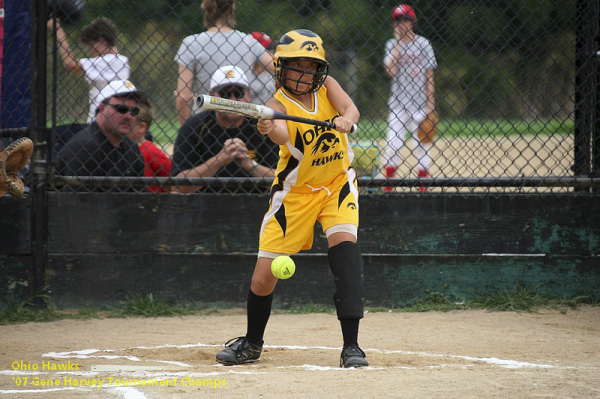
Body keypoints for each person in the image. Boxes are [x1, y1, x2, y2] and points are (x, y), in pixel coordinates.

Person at [215, 30, 368, 368]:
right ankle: (253, 343)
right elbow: (281, 131)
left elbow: (350, 108)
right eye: (296, 66)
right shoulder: (276, 105)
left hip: (337, 184)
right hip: (295, 195)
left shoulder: (327, 87)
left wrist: (346, 119)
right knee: (263, 277)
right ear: (281, 68)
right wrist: (270, 128)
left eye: (311, 67)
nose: (304, 73)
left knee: (346, 254)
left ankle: (352, 347)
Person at [170, 65, 278, 193]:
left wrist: (249, 165)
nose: (233, 100)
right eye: (225, 93)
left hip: (256, 207)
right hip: (203, 207)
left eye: (238, 93)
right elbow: (177, 186)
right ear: (212, 96)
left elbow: (283, 182)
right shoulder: (194, 127)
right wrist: (220, 159)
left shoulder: (263, 125)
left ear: (248, 94)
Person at [174, 0, 273, 126]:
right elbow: (279, 71)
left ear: (204, 8)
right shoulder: (248, 42)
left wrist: (187, 130)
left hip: (204, 124)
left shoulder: (192, 43)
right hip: (243, 122)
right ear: (232, 10)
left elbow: (183, 97)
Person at [382, 4, 437, 192]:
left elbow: (429, 75)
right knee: (392, 144)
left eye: (405, 19)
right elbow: (390, 70)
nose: (401, 24)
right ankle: (388, 185)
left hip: (420, 104)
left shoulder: (424, 44)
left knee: (421, 146)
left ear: (412, 22)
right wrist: (399, 43)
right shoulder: (391, 44)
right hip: (398, 104)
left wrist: (431, 106)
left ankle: (423, 186)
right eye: (397, 20)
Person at [55, 80, 146, 192]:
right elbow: (76, 203)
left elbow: (140, 197)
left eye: (134, 111)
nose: (129, 116)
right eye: (121, 109)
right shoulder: (85, 147)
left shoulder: (132, 148)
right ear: (102, 108)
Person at [48, 17, 131, 123]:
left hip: (101, 123)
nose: (90, 51)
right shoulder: (120, 61)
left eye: (91, 45)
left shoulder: (110, 61)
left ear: (101, 41)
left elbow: (70, 64)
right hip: (106, 121)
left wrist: (58, 31)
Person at [126, 102, 172, 193]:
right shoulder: (120, 149)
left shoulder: (151, 152)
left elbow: (172, 183)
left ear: (141, 127)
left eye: (127, 123)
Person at [248, 31, 277, 105]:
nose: (272, 53)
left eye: (271, 49)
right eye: (267, 50)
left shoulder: (271, 74)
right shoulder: (245, 73)